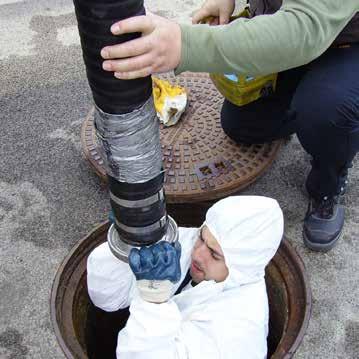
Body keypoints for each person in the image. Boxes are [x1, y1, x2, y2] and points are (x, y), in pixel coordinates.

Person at [99, 0, 359, 252]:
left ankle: (328, 184)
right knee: (243, 125)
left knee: (326, 110)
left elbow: (305, 27)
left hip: (348, 43)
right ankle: (307, 106)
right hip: (294, 28)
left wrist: (185, 44)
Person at [87, 196, 284, 358]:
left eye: (214, 255)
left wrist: (154, 299)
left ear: (240, 268)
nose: (197, 254)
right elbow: (107, 297)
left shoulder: (236, 333)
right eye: (201, 237)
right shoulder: (195, 245)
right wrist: (126, 243)